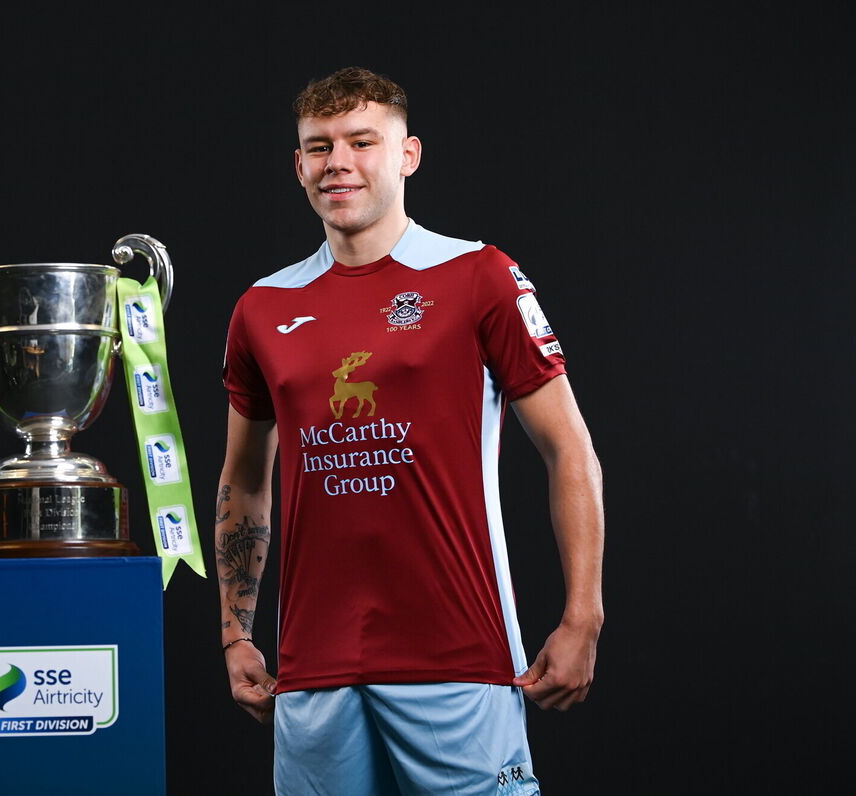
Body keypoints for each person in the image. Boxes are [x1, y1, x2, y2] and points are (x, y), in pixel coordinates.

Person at [214, 65, 604, 795]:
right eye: (320, 146)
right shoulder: (262, 307)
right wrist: (237, 632)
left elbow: (568, 448)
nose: (338, 162)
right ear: (299, 165)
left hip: (458, 656)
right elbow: (243, 478)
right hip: (312, 668)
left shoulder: (479, 275)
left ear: (407, 155)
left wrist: (583, 616)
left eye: (362, 142)